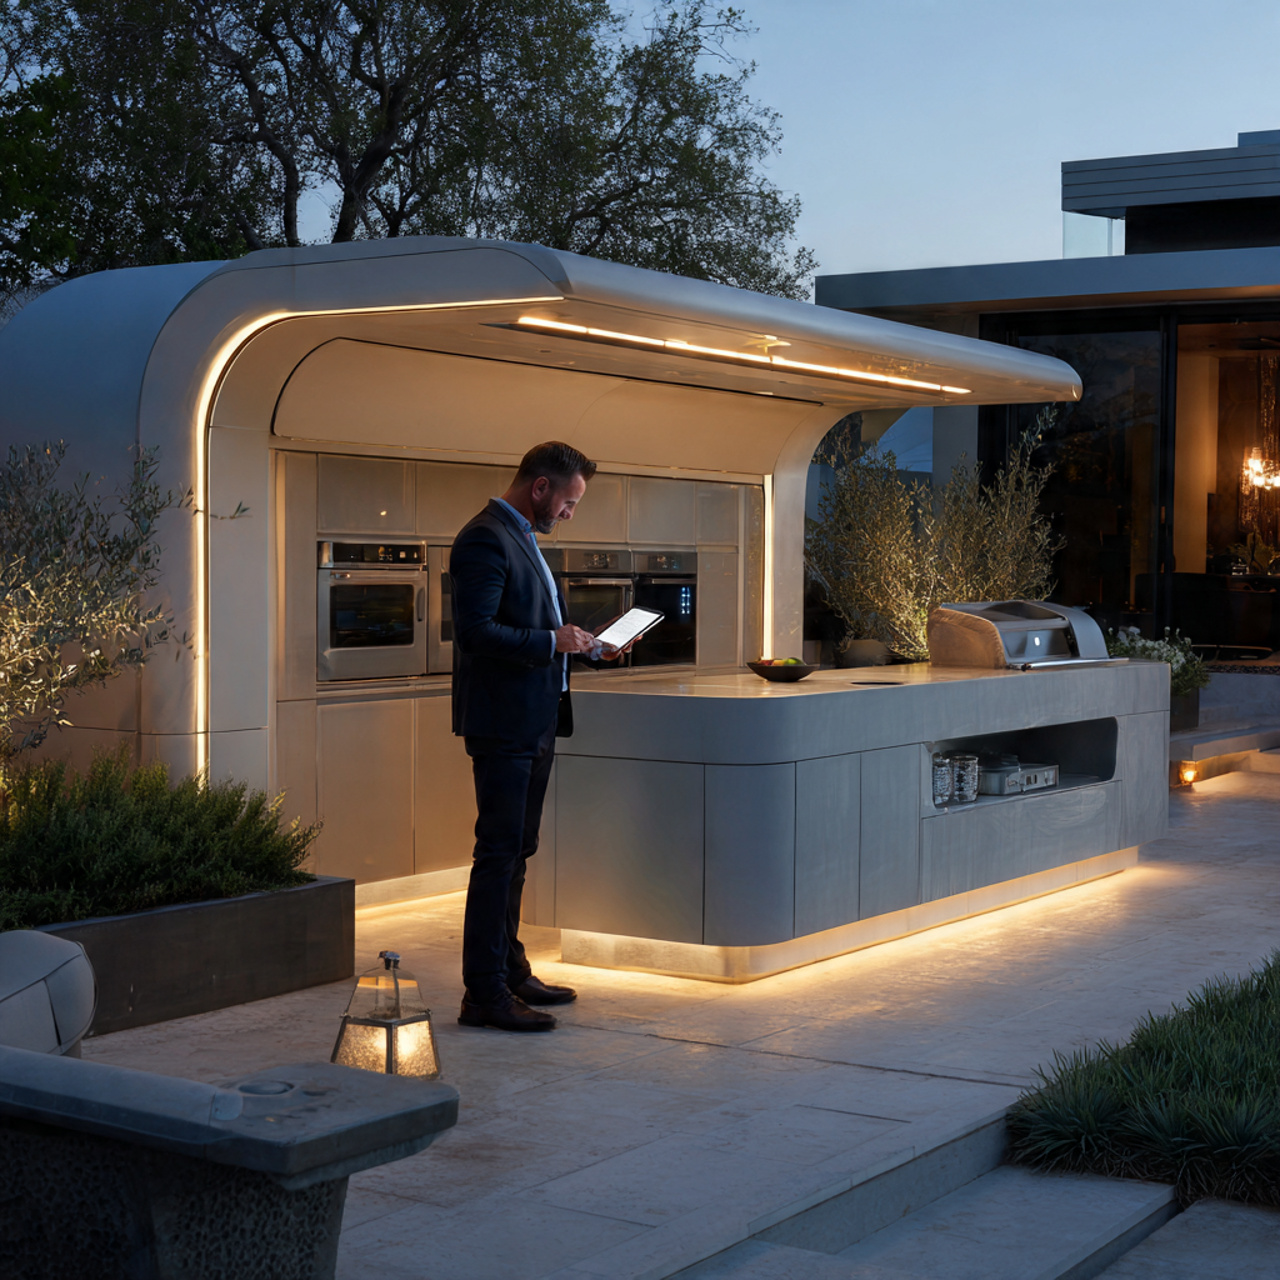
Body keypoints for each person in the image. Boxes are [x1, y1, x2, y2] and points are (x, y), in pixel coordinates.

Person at [449, 441, 609, 1032]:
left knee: (517, 852)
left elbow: (539, 629)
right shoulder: (484, 537)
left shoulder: (523, 540)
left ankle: (510, 969)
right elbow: (476, 633)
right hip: (503, 724)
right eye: (568, 501)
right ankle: (483, 994)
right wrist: (552, 643)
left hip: (535, 720)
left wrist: (587, 647)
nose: (569, 513)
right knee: (496, 856)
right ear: (540, 487)